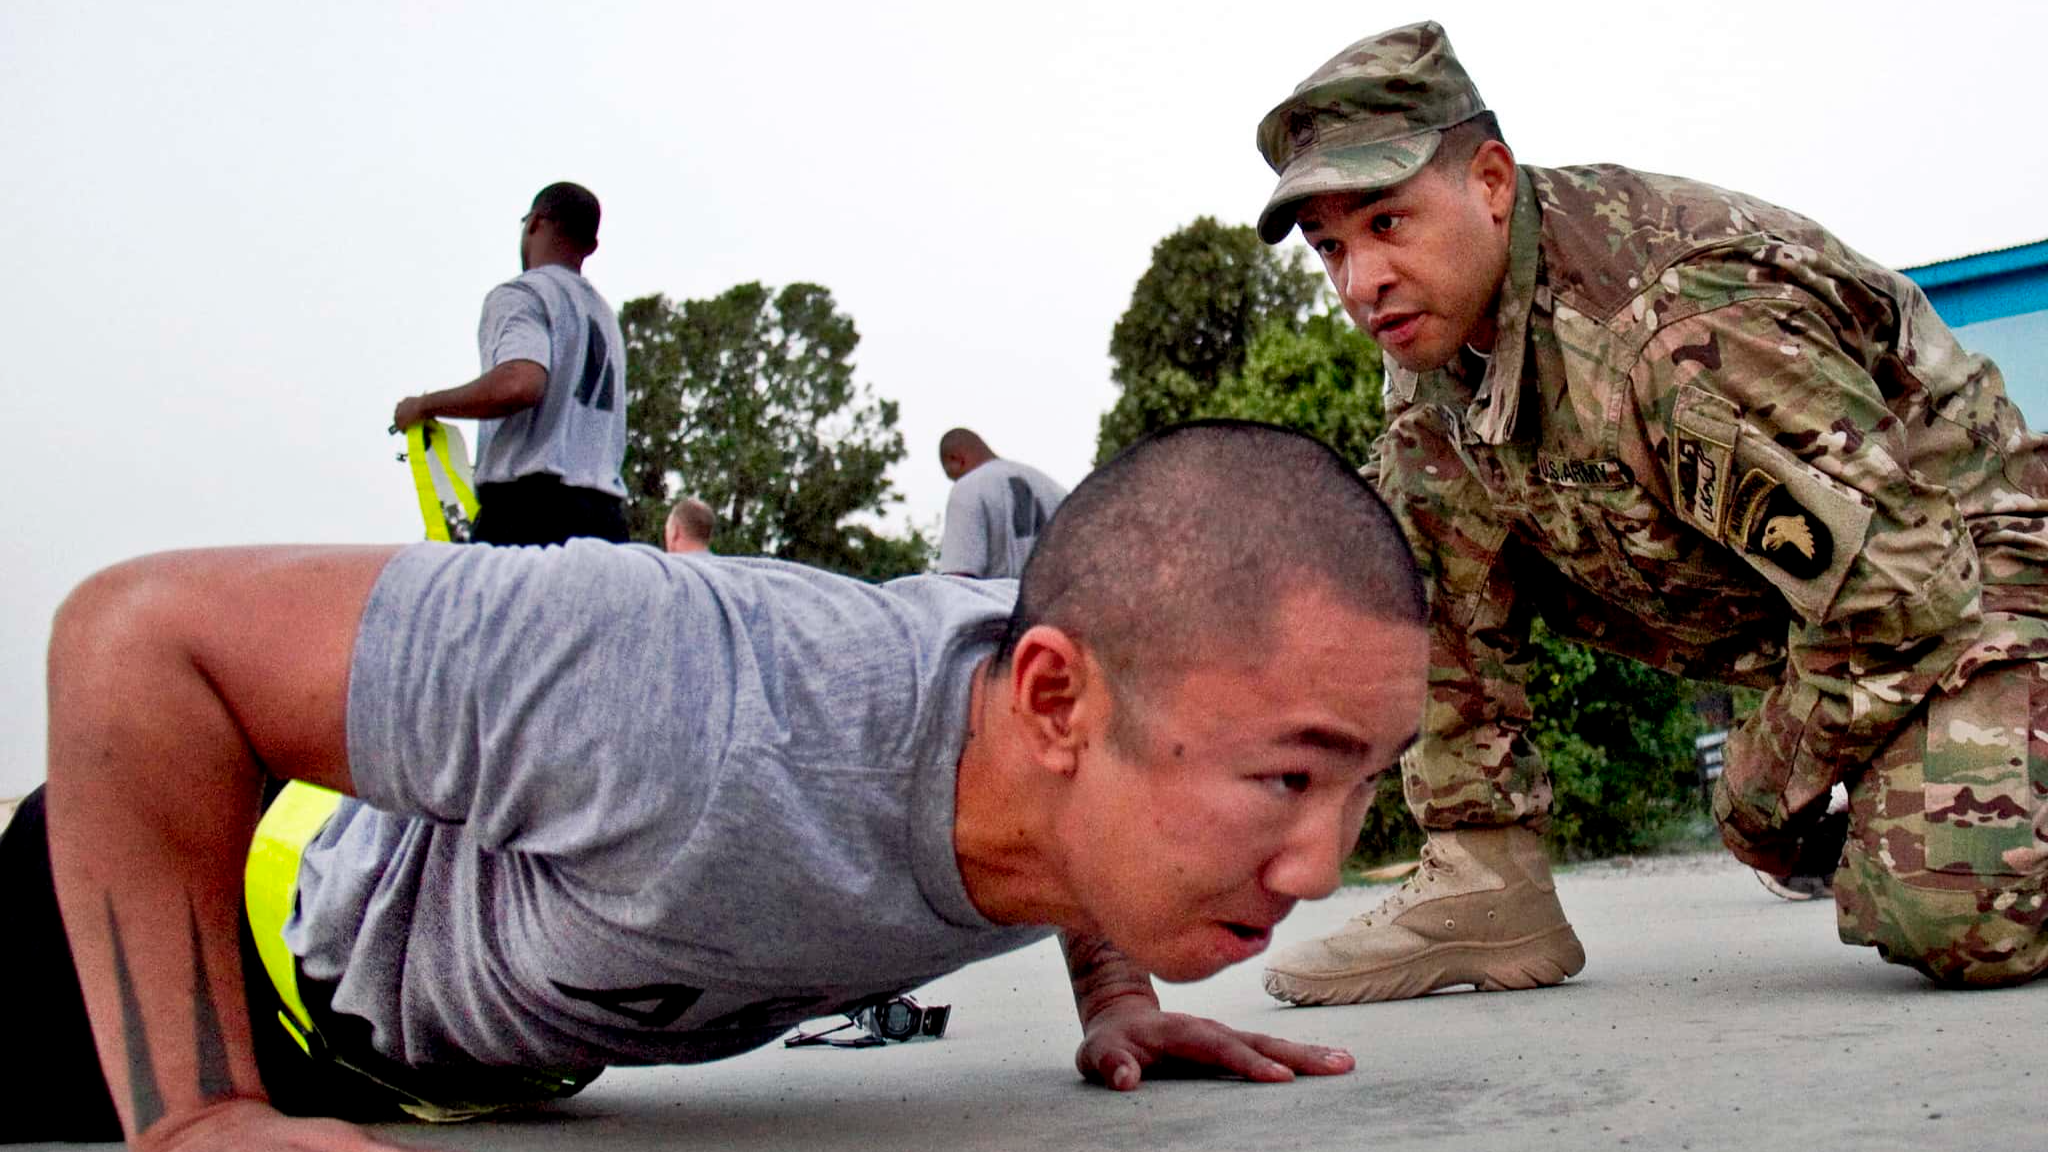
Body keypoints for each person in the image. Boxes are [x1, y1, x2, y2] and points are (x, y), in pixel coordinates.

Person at [20, 421, 1430, 1148]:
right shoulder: (687, 689)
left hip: (466, 1061)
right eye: (1283, 779)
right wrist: (202, 1113)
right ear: (1054, 701)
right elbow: (135, 642)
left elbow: (1091, 801)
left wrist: (1117, 993)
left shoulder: (1067, 737)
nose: (1321, 865)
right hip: (198, 943)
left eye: (1364, 780)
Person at [1250, 20, 2048, 1009]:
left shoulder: (1671, 332)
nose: (1359, 281)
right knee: (1401, 506)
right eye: (1330, 247)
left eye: (1387, 222)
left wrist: (1761, 785)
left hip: (1981, 571)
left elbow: (1905, 588)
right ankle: (1481, 876)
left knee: (1957, 906)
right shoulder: (1444, 334)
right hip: (1824, 605)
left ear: (1490, 182)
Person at [391, 182, 630, 547]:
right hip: (606, 521)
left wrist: (424, 405)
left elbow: (519, 383)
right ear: (591, 246)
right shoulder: (603, 316)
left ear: (534, 223)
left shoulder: (524, 294)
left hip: (530, 514)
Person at [936, 428, 1069, 578]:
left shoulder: (968, 487)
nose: (955, 481)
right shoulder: (1055, 489)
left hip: (1003, 592)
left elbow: (958, 577)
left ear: (956, 459)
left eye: (953, 476)